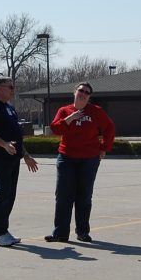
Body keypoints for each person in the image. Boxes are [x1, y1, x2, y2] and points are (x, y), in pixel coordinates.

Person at [45, 82, 115, 243]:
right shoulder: (64, 111)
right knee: (63, 196)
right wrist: (70, 118)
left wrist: (104, 147)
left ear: (89, 96)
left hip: (89, 159)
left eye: (87, 92)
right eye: (81, 90)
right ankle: (60, 233)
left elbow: (109, 127)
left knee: (84, 196)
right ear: (74, 92)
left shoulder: (96, 111)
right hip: (66, 158)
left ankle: (82, 232)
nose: (83, 93)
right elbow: (55, 129)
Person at [0, 77, 39, 247]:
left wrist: (25, 154)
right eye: (10, 87)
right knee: (3, 193)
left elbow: (16, 136)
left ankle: (4, 231)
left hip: (14, 157)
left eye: (13, 87)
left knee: (10, 195)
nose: (13, 90)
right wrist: (4, 145)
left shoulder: (10, 108)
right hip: (0, 157)